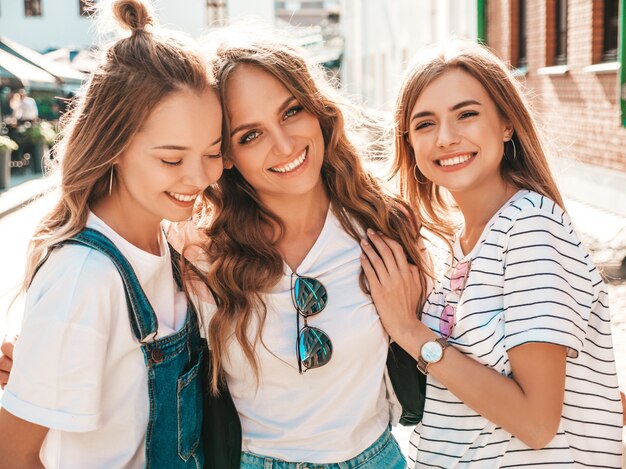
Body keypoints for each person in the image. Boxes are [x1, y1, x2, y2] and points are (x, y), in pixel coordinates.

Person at [360, 39, 624, 468]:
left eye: (467, 114)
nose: (446, 138)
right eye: (425, 124)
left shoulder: (530, 228)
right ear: (408, 141)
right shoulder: (456, 244)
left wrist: (412, 333)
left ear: (506, 123)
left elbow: (537, 423)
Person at [178, 31, 432, 468]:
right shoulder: (199, 253)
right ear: (227, 156)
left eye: (291, 111)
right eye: (251, 135)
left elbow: (453, 342)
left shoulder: (386, 227)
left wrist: (409, 325)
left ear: (318, 109)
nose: (284, 145)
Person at [0, 0, 223, 467]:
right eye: (171, 159)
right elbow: (14, 456)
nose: (198, 177)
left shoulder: (169, 246)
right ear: (113, 146)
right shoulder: (84, 277)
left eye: (212, 152)